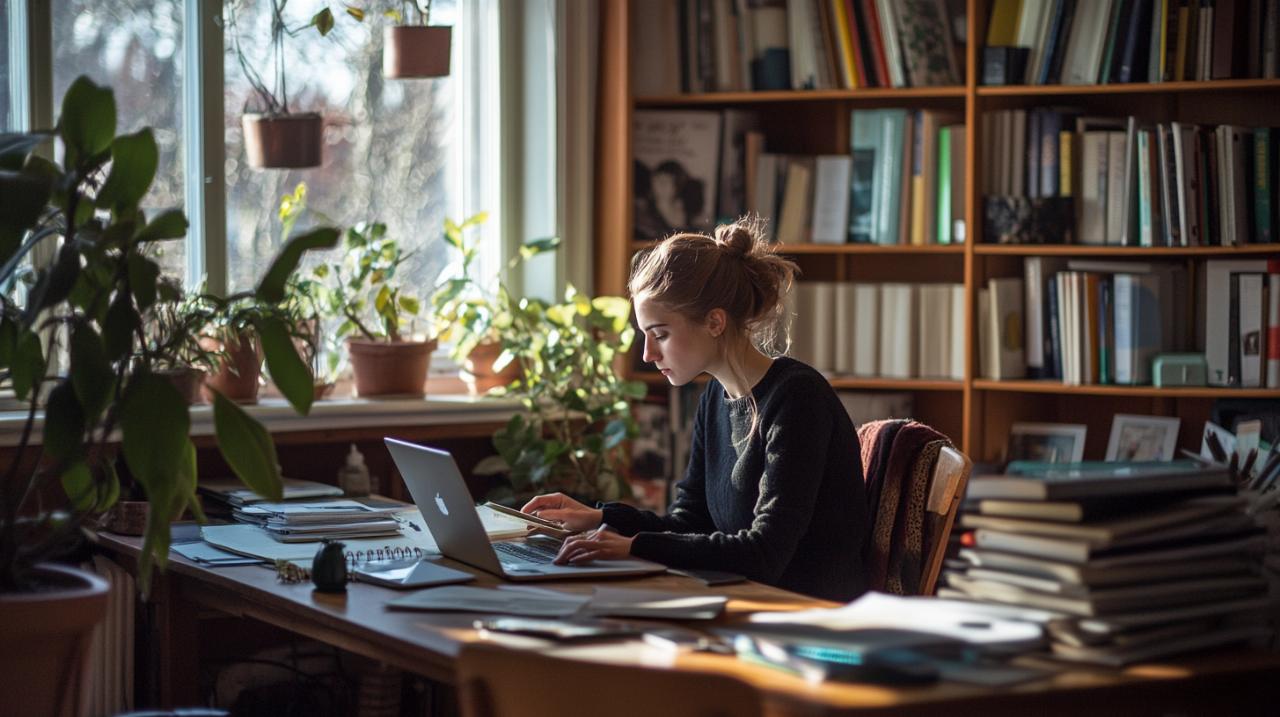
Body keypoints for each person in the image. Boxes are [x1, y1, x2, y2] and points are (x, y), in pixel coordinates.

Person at [521, 219, 869, 602]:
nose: (648, 355)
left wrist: (634, 546)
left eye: (661, 335)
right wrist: (603, 518)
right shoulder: (714, 398)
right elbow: (690, 522)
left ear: (715, 322)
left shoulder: (798, 398)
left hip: (802, 613)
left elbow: (765, 554)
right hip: (744, 598)